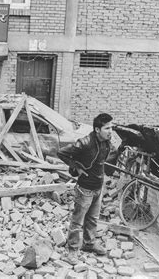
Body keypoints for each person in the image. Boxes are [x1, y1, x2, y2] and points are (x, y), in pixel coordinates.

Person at [57, 113, 118, 264]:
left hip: (98, 187)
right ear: (97, 129)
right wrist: (76, 167)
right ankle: (72, 250)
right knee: (77, 222)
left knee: (93, 219)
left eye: (112, 128)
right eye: (107, 128)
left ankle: (89, 244)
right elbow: (61, 152)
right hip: (85, 189)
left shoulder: (107, 143)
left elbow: (108, 163)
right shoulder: (84, 143)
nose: (111, 131)